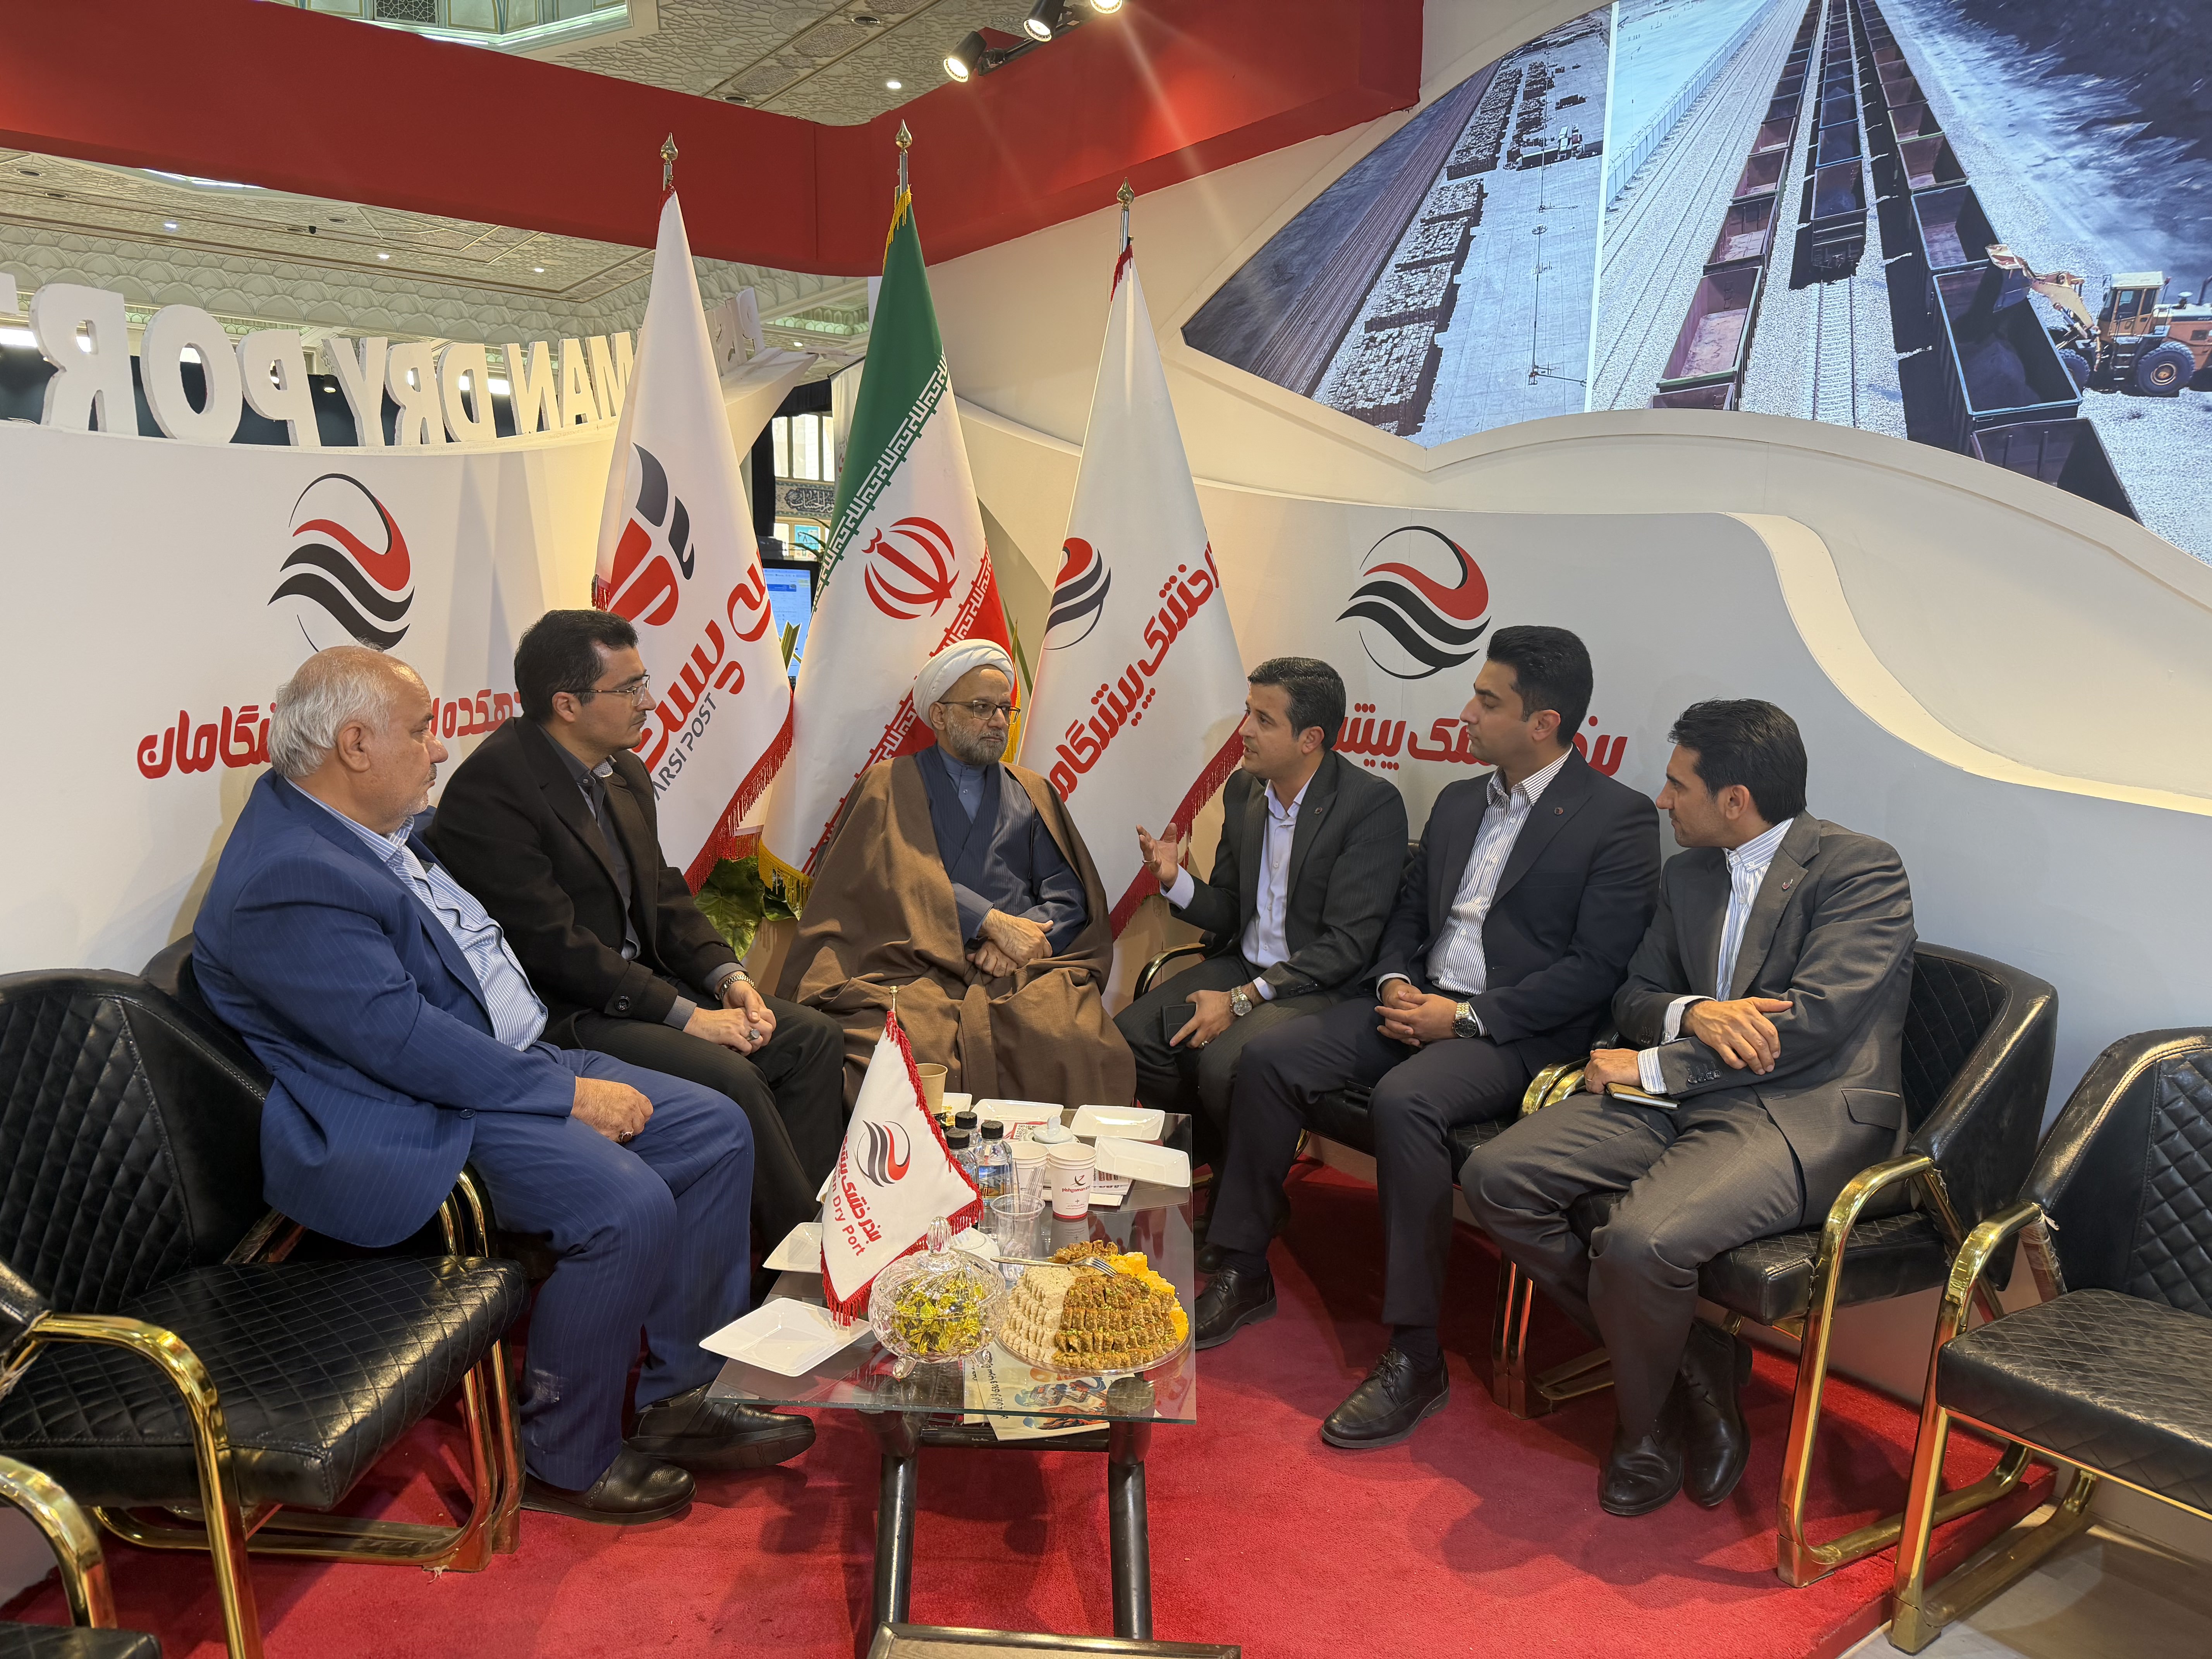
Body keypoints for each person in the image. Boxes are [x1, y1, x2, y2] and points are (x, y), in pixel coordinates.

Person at [193, 647, 812, 1528]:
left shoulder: (359, 824)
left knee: (716, 1127)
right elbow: (401, 1043)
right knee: (623, 1204)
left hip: (504, 1060)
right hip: (412, 1110)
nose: (441, 749)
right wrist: (566, 1096)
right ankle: (569, 1453)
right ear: (355, 745)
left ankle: (682, 1396)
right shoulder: (289, 876)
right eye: (422, 732)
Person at [1195, 627, 1660, 1450]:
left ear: (1543, 722)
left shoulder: (1616, 819)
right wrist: (1394, 981)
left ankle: (1415, 1354)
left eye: (1487, 700)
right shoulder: (1456, 801)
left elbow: (1597, 969)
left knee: (1406, 1102)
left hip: (1513, 1032)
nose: (1467, 714)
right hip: (1417, 1003)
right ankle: (1242, 1264)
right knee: (1269, 1055)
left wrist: (1467, 1018)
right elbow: (1409, 915)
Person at [1464, 699, 1915, 1517]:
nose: (1662, 800)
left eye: (1678, 785)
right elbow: (1636, 994)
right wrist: (1694, 1013)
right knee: (1497, 1176)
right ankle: (1690, 1361)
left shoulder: (1860, 869)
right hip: (1681, 1094)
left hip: (1796, 1112)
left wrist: (1653, 1064)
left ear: (1734, 799)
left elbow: (1809, 1026)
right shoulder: (1688, 874)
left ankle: (1644, 1431)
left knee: (1639, 1242)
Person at [426, 610, 845, 1250]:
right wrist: (691, 1018)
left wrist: (728, 980)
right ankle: (805, 1258)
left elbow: (663, 894)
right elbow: (554, 947)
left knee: (811, 1036)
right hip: (567, 1011)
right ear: (567, 704)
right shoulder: (492, 789)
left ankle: (801, 1234)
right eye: (629, 689)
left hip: (638, 987)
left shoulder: (624, 771)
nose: (649, 702)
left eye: (644, 683)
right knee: (730, 1074)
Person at [778, 639, 1135, 1107]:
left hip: (1020, 971)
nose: (998, 721)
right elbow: (890, 881)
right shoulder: (888, 785)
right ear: (940, 715)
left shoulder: (1033, 791)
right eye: (982, 708)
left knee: (1073, 1039)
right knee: (911, 1052)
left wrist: (1021, 941)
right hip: (911, 966)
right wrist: (990, 922)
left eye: (1005, 709)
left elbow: (1068, 896)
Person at [1115, 657, 1407, 1143]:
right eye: (1248, 712)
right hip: (1244, 963)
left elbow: (1346, 946)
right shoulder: (1244, 790)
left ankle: (1241, 1176)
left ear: (1310, 739)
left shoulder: (1369, 804)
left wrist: (1241, 1001)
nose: (1244, 730)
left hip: (1319, 983)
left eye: (1263, 720)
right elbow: (1232, 907)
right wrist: (1175, 880)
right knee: (1131, 1039)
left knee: (1224, 1065)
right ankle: (1207, 1159)